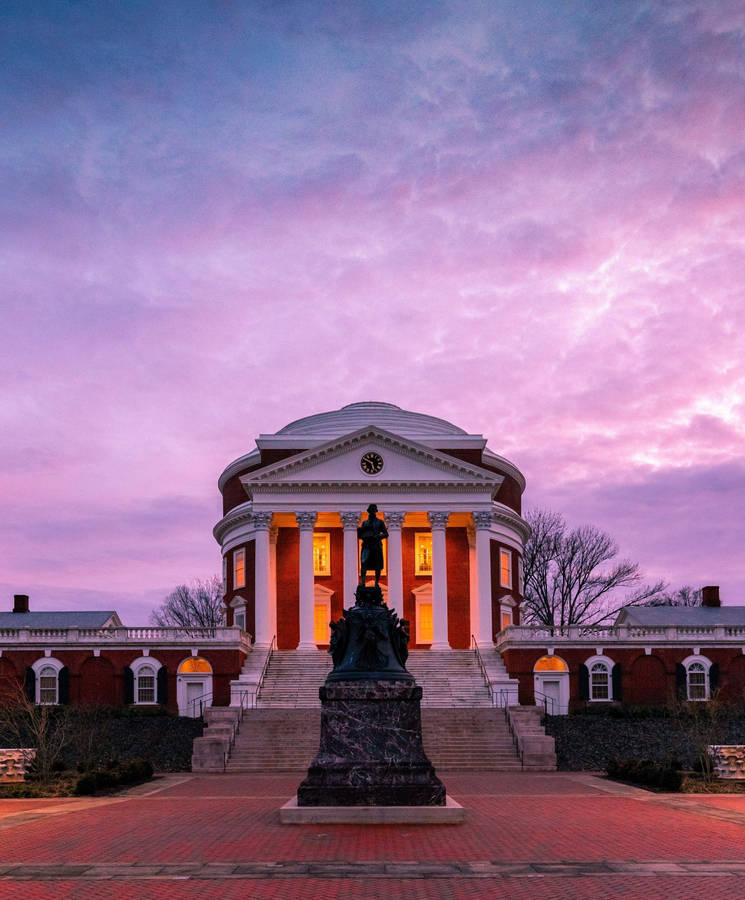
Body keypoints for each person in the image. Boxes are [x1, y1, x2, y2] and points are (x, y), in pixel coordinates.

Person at [357, 504, 388, 586]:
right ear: (369, 511)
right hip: (367, 545)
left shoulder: (380, 522)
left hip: (376, 545)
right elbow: (360, 534)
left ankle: (377, 583)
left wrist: (378, 536)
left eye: (373, 510)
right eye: (371, 510)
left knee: (377, 565)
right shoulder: (365, 523)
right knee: (364, 563)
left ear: (375, 512)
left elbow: (386, 534)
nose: (372, 512)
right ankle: (363, 582)